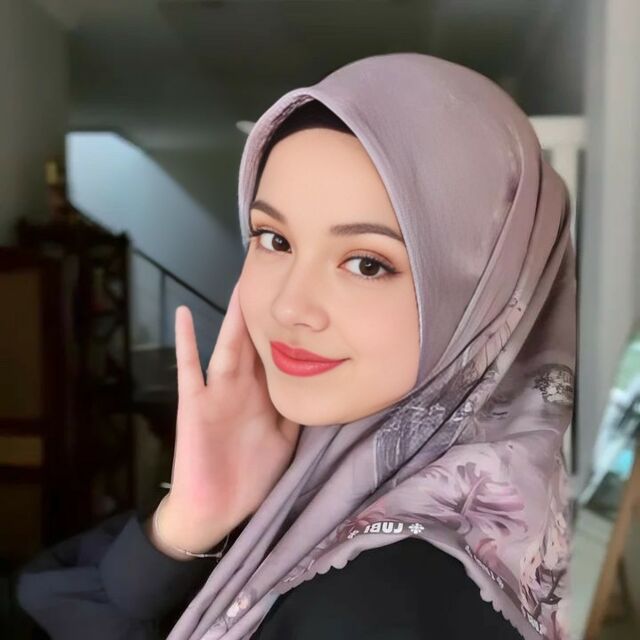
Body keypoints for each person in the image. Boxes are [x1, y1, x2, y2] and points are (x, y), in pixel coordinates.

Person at [16, 52, 576, 640]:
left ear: (487, 293)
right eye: (274, 239)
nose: (289, 306)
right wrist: (190, 518)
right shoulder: (336, 494)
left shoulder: (379, 599)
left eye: (366, 263)